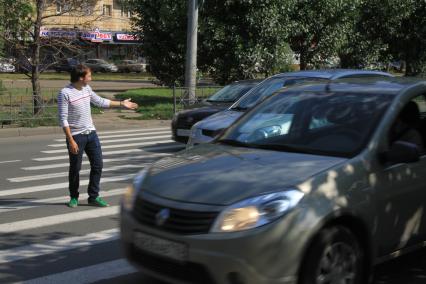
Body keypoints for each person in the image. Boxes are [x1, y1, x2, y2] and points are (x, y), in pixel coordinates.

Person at [58, 64, 138, 208]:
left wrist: (121, 103)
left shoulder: (87, 89)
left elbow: (100, 102)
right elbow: (63, 118)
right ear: (81, 78)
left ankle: (93, 196)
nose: (91, 78)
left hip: (91, 134)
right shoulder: (65, 93)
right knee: (75, 168)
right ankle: (74, 196)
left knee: (98, 165)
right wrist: (71, 140)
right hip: (76, 136)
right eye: (89, 75)